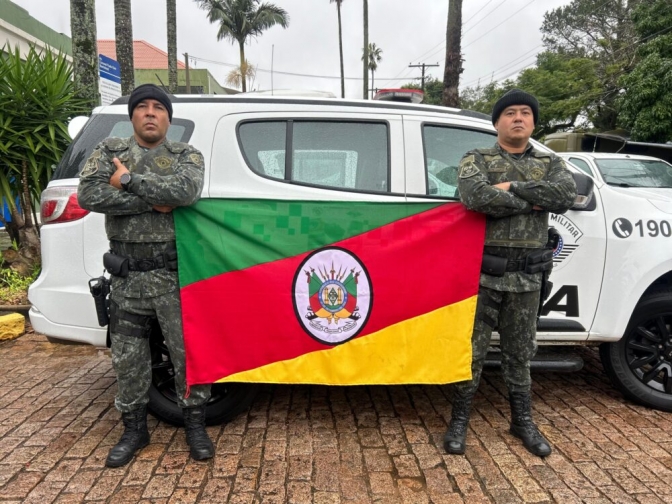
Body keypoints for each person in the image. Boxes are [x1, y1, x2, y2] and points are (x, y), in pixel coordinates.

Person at [78, 84, 214, 467]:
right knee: (128, 358)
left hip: (173, 277)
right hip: (126, 279)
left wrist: (127, 181)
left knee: (186, 354)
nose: (150, 113)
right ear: (132, 116)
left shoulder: (186, 154)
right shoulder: (110, 151)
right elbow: (89, 195)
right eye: (142, 107)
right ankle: (134, 430)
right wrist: (156, 201)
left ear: (168, 118)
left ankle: (195, 426)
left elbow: (185, 191)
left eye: (158, 107)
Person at [444, 89, 577, 457]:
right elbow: (474, 196)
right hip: (483, 276)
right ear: (497, 122)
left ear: (533, 122)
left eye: (525, 113)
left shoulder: (550, 163)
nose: (518, 118)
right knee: (471, 352)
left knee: (520, 353)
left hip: (528, 278)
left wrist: (512, 187)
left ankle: (522, 420)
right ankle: (459, 419)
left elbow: (565, 195)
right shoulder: (478, 158)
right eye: (509, 113)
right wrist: (534, 201)